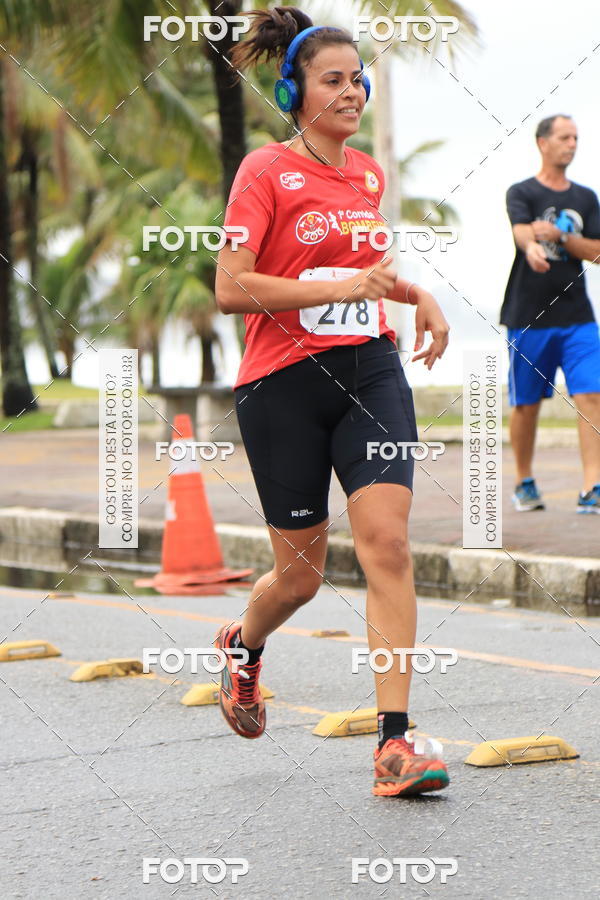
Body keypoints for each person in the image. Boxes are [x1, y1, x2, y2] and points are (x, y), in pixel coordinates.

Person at [213, 6, 450, 797]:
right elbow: (230, 286)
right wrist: (345, 285)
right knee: (301, 577)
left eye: (359, 79)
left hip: (370, 372)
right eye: (334, 80)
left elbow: (365, 273)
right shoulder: (263, 172)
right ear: (296, 90)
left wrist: (419, 297)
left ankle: (394, 745)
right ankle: (244, 649)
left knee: (387, 542)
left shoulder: (367, 175)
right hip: (281, 384)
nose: (353, 92)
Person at [500, 114, 600, 513]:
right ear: (542, 142)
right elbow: (522, 230)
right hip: (528, 316)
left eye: (575, 137)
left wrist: (560, 237)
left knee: (591, 395)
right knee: (526, 403)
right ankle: (524, 481)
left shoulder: (586, 198)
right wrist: (532, 247)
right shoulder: (521, 191)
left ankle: (592, 486)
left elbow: (596, 250)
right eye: (563, 137)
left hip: (579, 317)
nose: (571, 144)